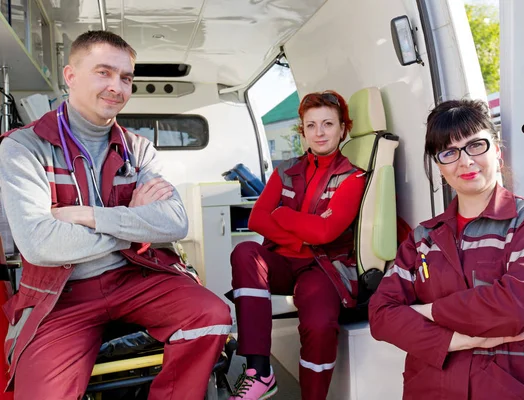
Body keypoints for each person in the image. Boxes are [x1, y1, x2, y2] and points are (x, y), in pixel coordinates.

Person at [0, 30, 231, 400]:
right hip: (61, 294)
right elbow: (40, 244)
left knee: (212, 314)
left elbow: (175, 221)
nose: (117, 87)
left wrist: (90, 216)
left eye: (126, 78)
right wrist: (135, 220)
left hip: (137, 276)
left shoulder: (138, 148)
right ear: (70, 76)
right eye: (103, 72)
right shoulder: (23, 147)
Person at [369, 99, 524, 400]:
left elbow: (521, 304)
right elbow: (381, 314)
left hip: (506, 388)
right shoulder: (423, 237)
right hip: (428, 388)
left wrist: (426, 311)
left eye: (476, 145)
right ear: (439, 167)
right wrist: (452, 340)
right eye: (449, 152)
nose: (465, 161)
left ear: (497, 150)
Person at [228, 90, 366, 400]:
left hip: (324, 267)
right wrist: (304, 233)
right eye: (311, 125)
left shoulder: (353, 177)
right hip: (283, 262)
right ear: (302, 130)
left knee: (319, 326)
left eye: (328, 124)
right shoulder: (285, 170)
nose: (320, 133)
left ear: (343, 129)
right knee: (246, 252)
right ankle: (260, 372)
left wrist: (284, 214)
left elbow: (327, 232)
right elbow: (257, 220)